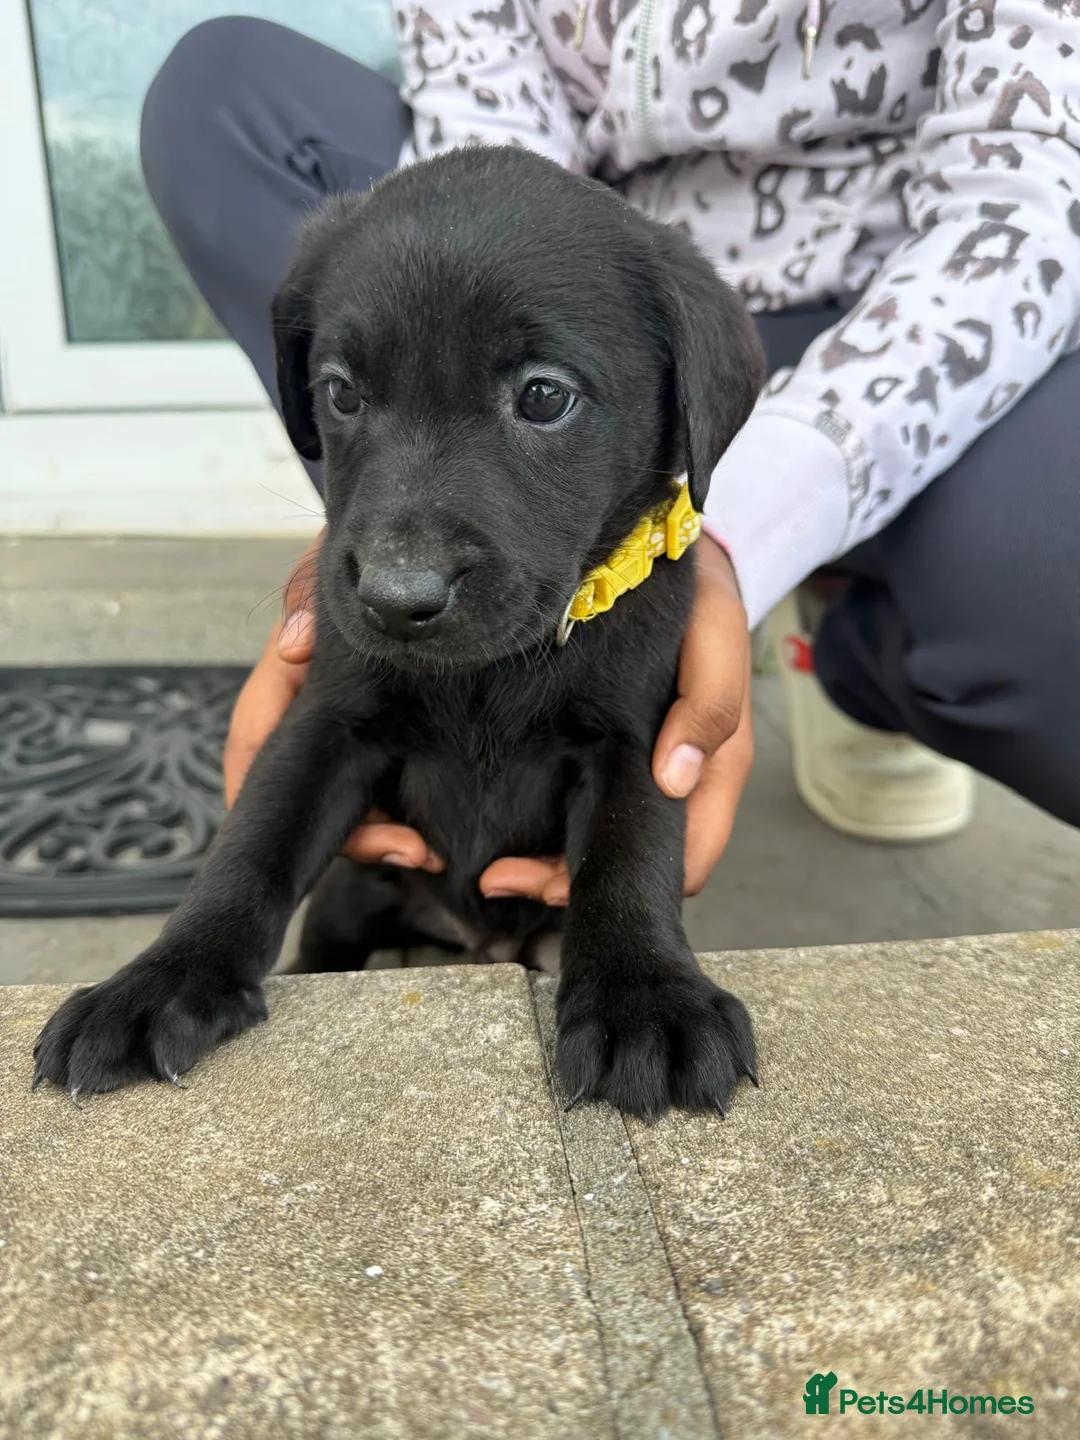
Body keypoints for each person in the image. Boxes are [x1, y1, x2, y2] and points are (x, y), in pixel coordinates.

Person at [139, 3, 1080, 906]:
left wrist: (732, 536)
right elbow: (486, 133)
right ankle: (490, 594)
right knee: (224, 92)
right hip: (582, 284)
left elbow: (1027, 212)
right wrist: (396, 500)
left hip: (903, 304)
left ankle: (852, 648)